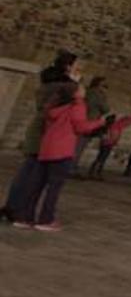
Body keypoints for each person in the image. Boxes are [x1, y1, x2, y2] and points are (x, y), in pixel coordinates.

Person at [12, 81, 110, 230]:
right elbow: (80, 127)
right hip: (62, 150)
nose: (84, 91)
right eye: (81, 89)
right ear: (75, 94)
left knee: (36, 186)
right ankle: (46, 220)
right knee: (54, 188)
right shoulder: (77, 106)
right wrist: (99, 122)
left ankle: (24, 217)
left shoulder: (54, 106)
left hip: (46, 148)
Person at [2, 51, 79, 222]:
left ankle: (14, 206)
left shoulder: (48, 84)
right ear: (68, 67)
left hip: (40, 131)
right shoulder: (63, 88)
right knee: (33, 175)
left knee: (27, 172)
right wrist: (75, 80)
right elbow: (76, 95)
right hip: (46, 134)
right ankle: (18, 210)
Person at [72, 75, 110, 172]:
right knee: (79, 146)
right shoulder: (98, 95)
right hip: (89, 122)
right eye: (104, 86)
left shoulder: (87, 92)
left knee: (76, 145)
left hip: (80, 120)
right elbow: (106, 109)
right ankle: (72, 167)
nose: (106, 88)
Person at [88, 109, 131, 179]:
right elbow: (126, 122)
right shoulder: (116, 125)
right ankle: (96, 172)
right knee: (102, 158)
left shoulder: (107, 125)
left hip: (105, 143)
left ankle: (93, 171)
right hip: (108, 143)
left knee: (100, 157)